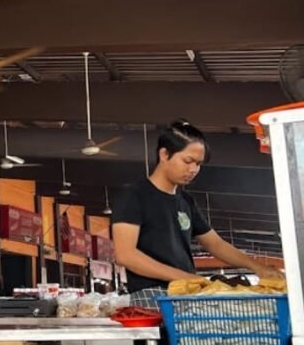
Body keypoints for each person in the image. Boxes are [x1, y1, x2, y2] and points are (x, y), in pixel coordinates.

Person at [112, 120, 283, 308]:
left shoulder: (186, 201)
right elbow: (126, 255)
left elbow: (215, 244)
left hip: (186, 292)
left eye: (198, 164)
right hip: (151, 295)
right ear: (164, 154)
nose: (193, 169)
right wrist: (187, 278)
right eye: (187, 161)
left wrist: (258, 267)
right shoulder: (134, 195)